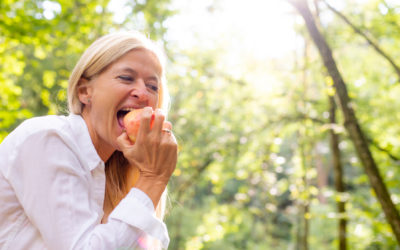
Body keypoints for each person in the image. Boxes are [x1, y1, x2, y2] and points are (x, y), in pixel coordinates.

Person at [0, 31, 178, 250]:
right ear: (85, 92)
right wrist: (154, 178)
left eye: (152, 86)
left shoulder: (118, 177)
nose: (142, 93)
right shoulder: (48, 138)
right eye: (126, 78)